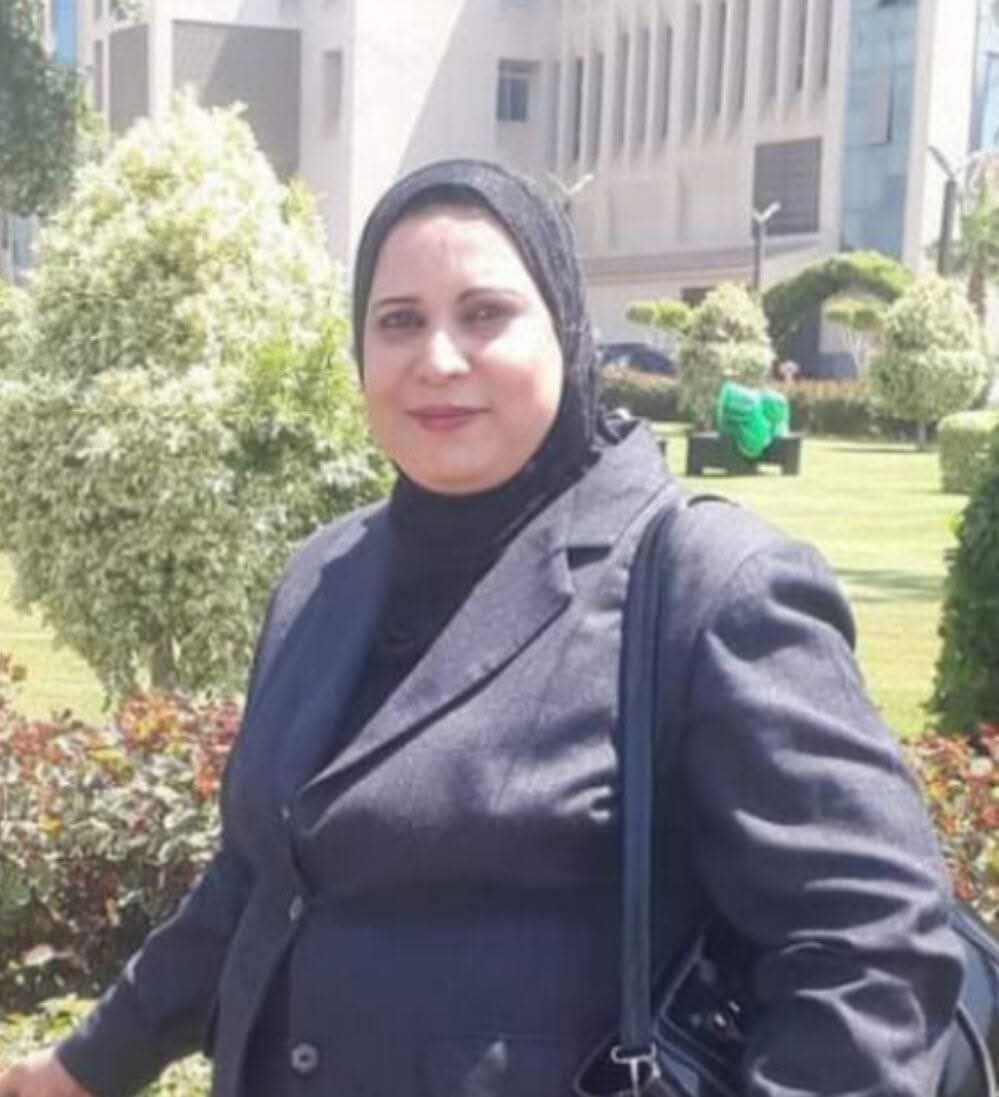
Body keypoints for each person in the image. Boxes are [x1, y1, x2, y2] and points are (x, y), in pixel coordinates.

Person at [0, 159, 963, 1097]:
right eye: (398, 321)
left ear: (567, 331)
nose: (437, 359)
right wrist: (82, 1067)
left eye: (485, 313)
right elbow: (259, 877)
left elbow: (870, 945)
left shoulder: (707, 587)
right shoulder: (322, 578)